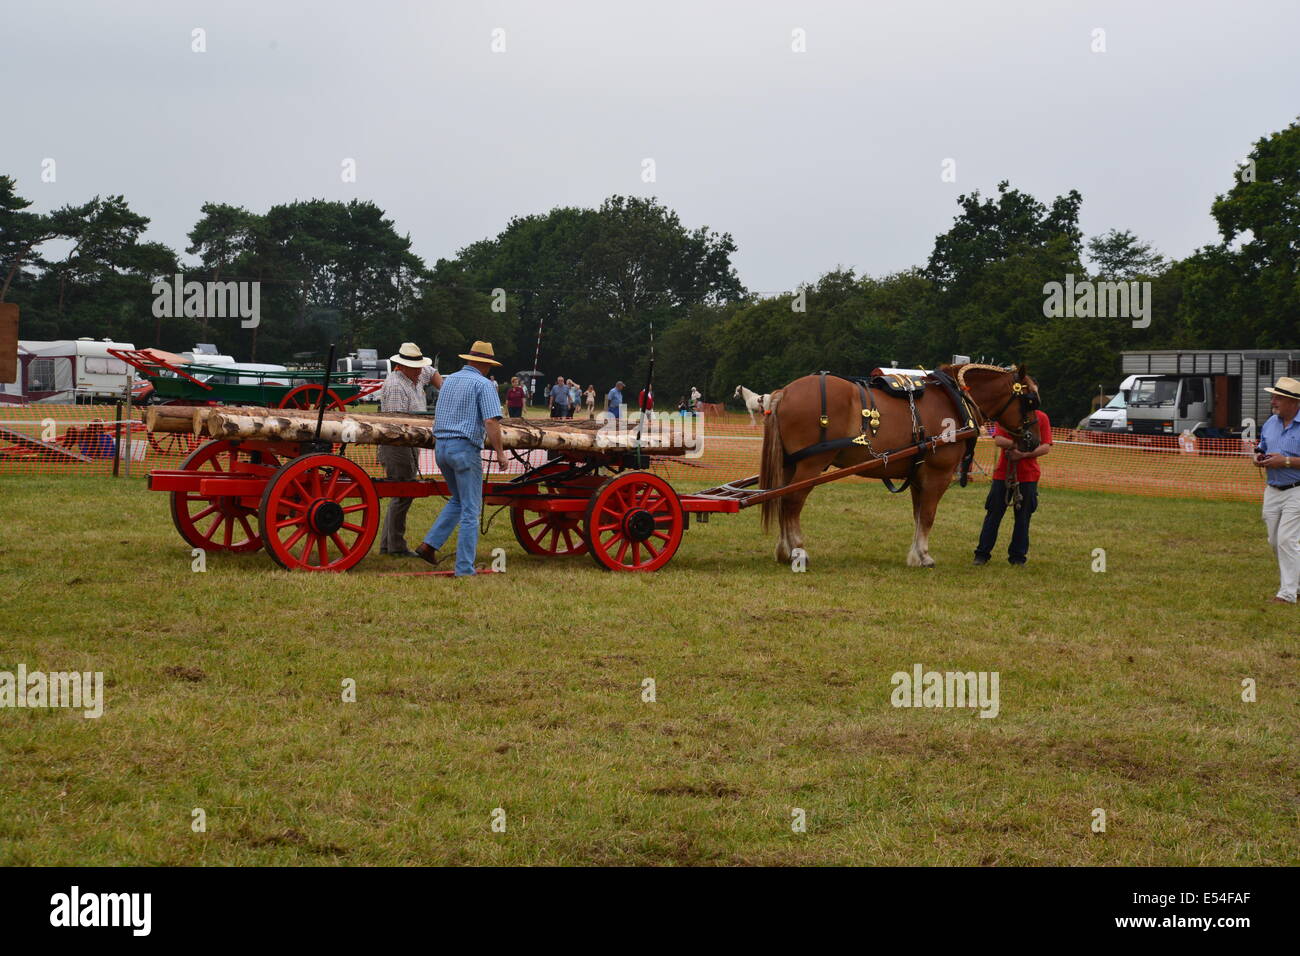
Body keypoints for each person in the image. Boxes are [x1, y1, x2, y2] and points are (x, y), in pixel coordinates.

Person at [415, 340, 507, 577]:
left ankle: (429, 546)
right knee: (470, 509)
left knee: (458, 500)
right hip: (464, 450)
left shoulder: (450, 380)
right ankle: (465, 568)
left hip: (441, 448)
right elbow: (491, 422)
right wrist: (499, 451)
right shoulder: (484, 384)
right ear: (484, 364)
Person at [376, 343, 442, 557]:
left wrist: (446, 390)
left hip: (410, 444)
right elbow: (397, 426)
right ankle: (395, 546)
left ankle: (388, 545)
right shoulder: (396, 385)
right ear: (402, 366)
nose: (420, 370)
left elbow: (431, 373)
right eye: (416, 367)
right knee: (403, 492)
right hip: (398, 445)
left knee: (401, 493)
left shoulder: (417, 375)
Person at [973, 408, 1053, 566]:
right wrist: (1020, 444)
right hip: (1003, 474)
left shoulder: (1041, 417)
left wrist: (1023, 455)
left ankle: (1017, 557)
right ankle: (982, 554)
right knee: (993, 515)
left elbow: (1046, 447)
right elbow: (999, 440)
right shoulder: (1006, 415)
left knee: (1023, 518)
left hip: (1028, 476)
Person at [1254, 375, 1300, 605]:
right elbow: (1261, 446)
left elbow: (1285, 460)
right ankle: (1297, 583)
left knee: (1286, 539)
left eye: (1277, 398)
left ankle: (1288, 594)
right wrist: (1258, 457)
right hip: (1272, 489)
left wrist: (1286, 462)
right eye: (1273, 397)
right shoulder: (1270, 423)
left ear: (1293, 402)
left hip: (1297, 490)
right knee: (1274, 540)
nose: (1273, 401)